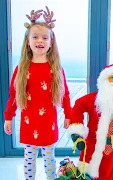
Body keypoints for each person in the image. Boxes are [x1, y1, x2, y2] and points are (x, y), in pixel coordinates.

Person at [3, 7, 71, 180]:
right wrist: (8, 117)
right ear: (27, 41)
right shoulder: (22, 69)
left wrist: (69, 115)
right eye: (35, 37)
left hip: (48, 123)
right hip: (28, 122)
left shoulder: (55, 69)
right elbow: (13, 95)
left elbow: (65, 94)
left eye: (44, 37)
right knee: (29, 159)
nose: (40, 40)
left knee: (49, 159)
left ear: (51, 42)